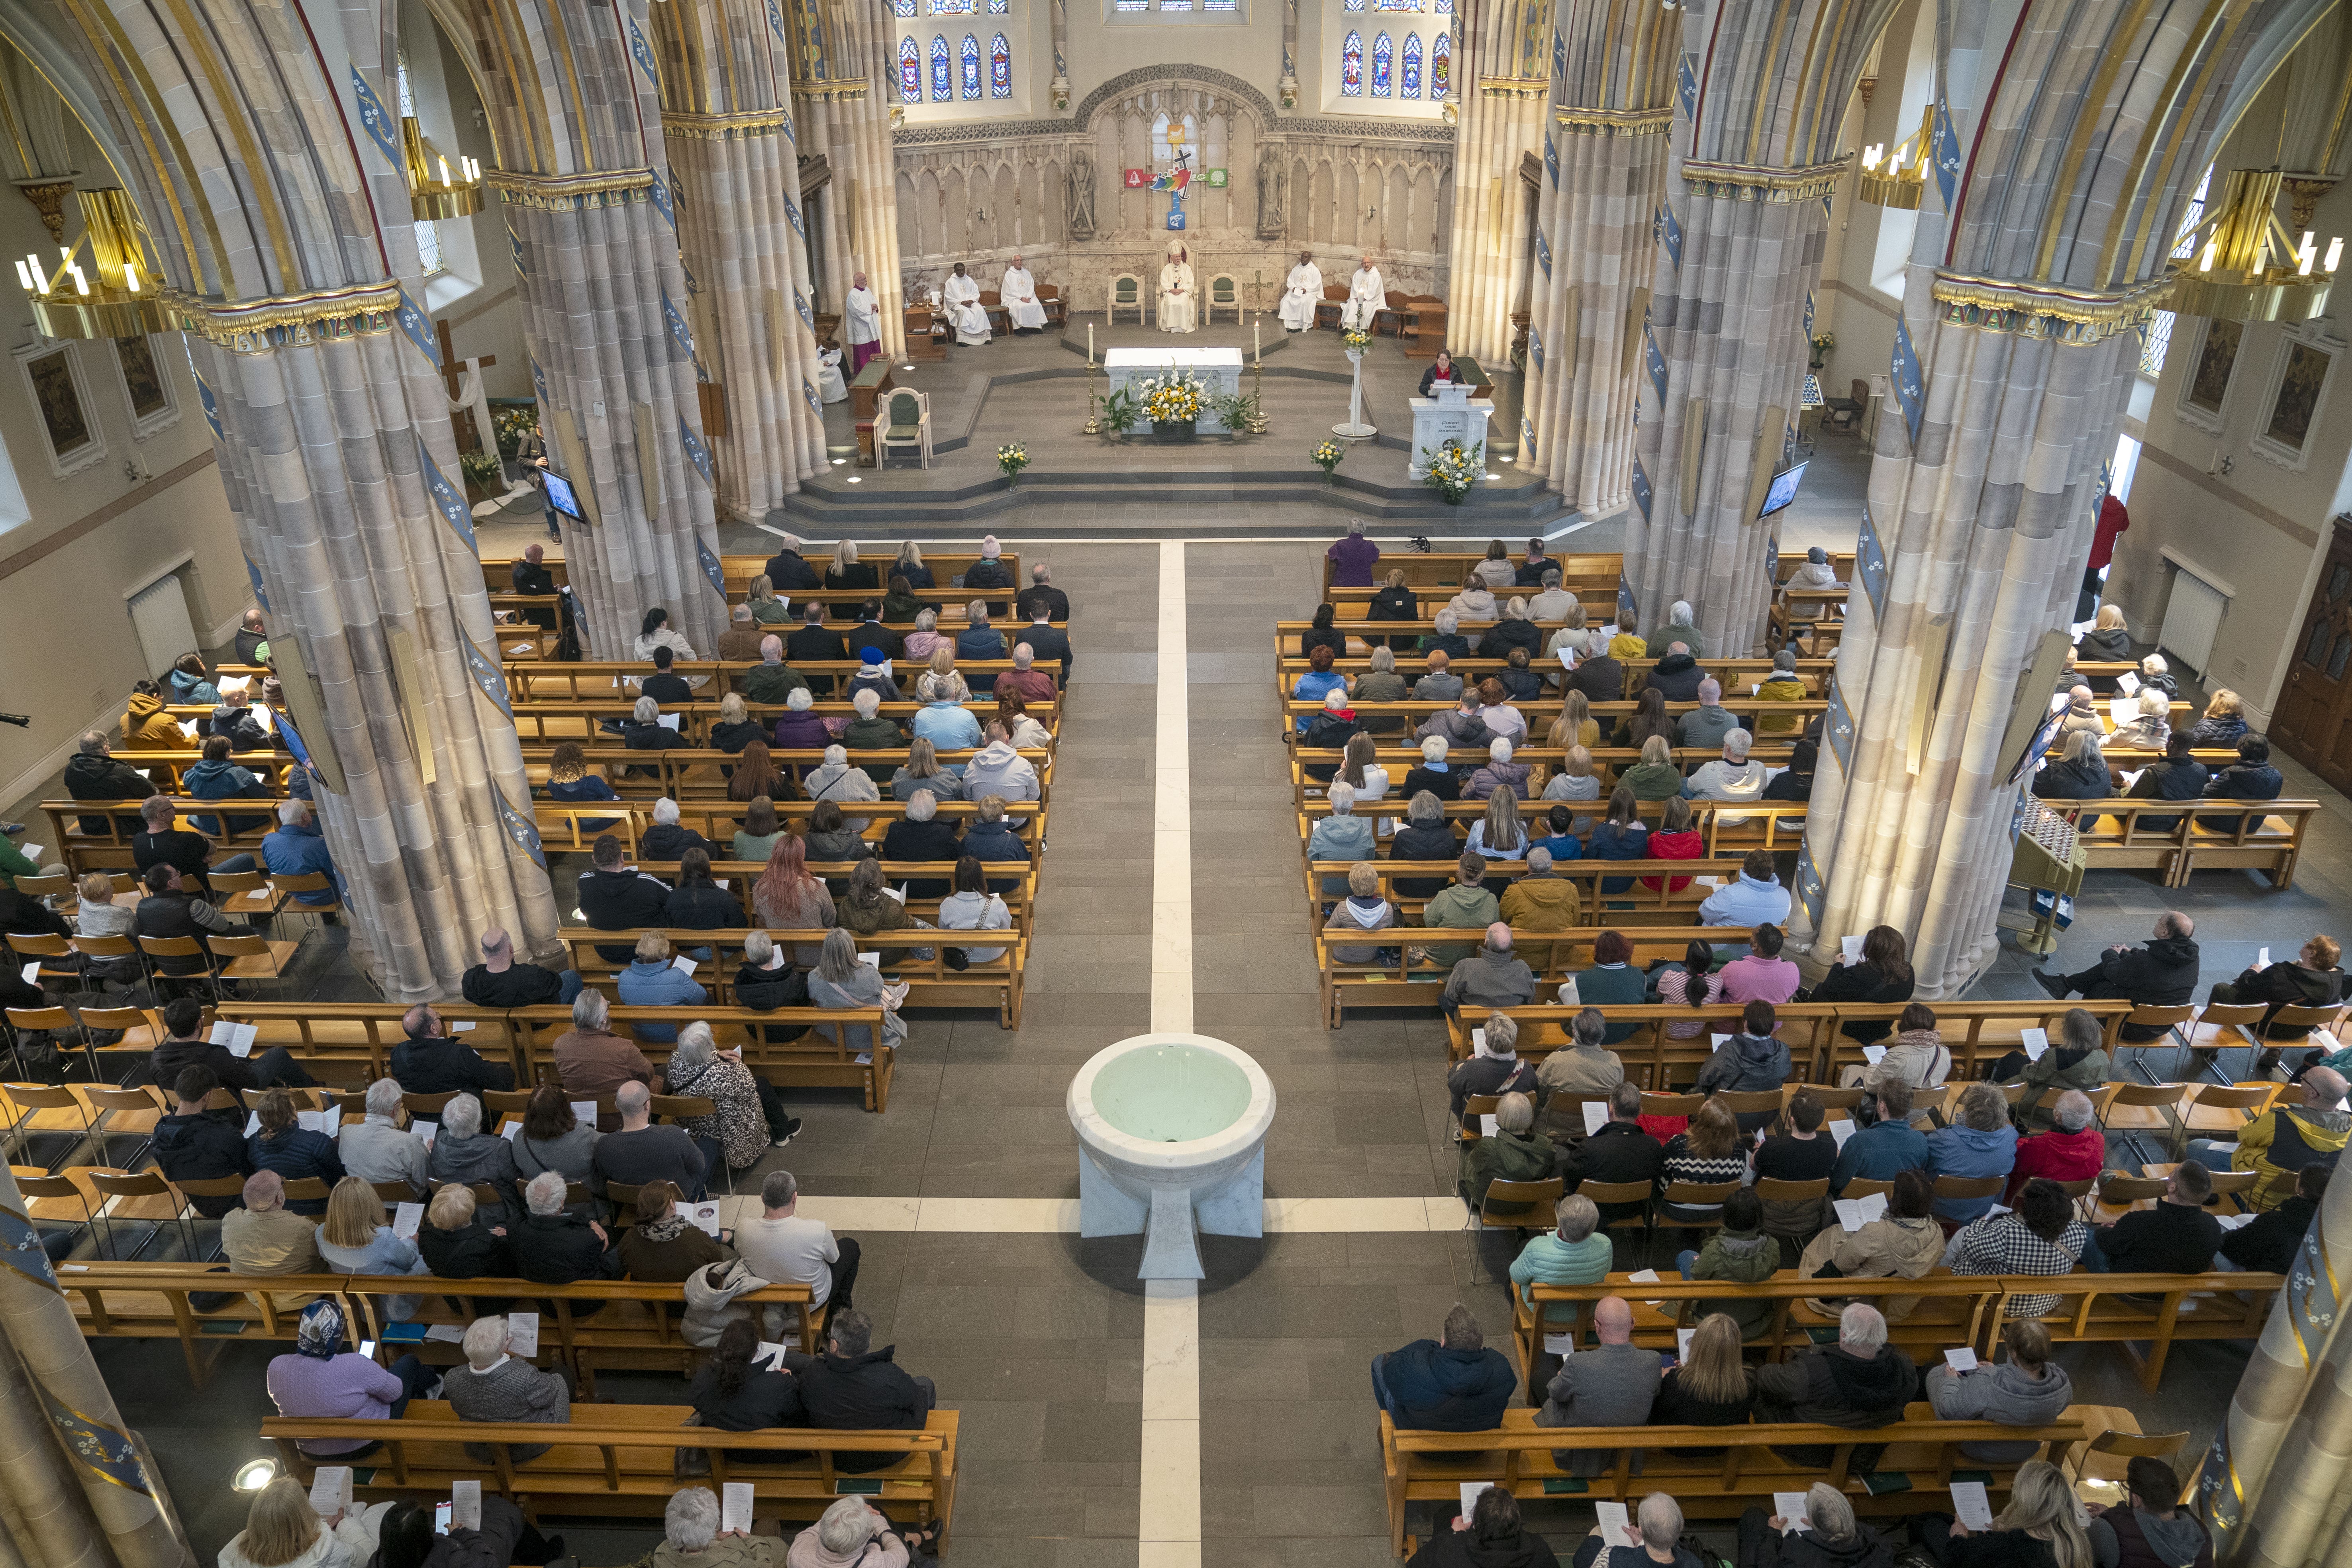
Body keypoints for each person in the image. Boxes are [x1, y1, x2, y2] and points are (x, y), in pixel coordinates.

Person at [265, 1298, 438, 1463]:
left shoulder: (276, 1366)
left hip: (311, 1451)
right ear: (337, 1334)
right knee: (409, 1363)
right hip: (363, 1445)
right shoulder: (354, 1364)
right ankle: (435, 1385)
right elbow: (394, 1393)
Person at [775, 1308, 937, 1472]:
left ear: (834, 1345)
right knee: (925, 1384)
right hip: (886, 1455)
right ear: (869, 1343)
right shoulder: (888, 1375)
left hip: (836, 1458)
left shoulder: (813, 1375)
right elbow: (913, 1398)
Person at [1751, 1302, 1914, 1456]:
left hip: (1809, 1451)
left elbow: (1766, 1378)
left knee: (1757, 1393)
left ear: (1843, 1335)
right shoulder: (1903, 1367)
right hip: (1864, 1453)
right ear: (1882, 1336)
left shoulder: (1813, 1371)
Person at [1535, 1296, 1660, 1474]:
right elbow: (1654, 1394)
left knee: (1545, 1387)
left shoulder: (1579, 1363)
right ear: (1632, 1323)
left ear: (1597, 1326)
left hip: (1581, 1453)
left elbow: (1555, 1393)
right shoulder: (1653, 1361)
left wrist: (1562, 1377)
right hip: (1627, 1454)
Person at [1799, 1167, 1942, 1321]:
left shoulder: (1875, 1232)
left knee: (1832, 1234)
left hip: (1863, 1300)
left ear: (1897, 1198)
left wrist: (1848, 1242)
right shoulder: (1936, 1232)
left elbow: (1842, 1263)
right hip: (1899, 1303)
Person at [2204, 1067, 2351, 1211]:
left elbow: (2244, 1135)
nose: (2301, 1079)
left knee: (2198, 1146)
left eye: (2304, 1078)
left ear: (2313, 1094)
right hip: (2303, 1200)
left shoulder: (2278, 1121)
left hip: (2257, 1194)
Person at [737, 1168, 861, 1336]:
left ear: (762, 1198)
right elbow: (834, 1258)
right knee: (850, 1246)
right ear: (795, 1197)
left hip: (770, 1298)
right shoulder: (816, 1230)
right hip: (811, 1300)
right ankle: (838, 1313)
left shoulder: (744, 1229)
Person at [1944, 1177, 2088, 1315]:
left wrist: (1983, 1221)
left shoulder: (2008, 1230)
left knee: (1964, 1233)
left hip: (1999, 1301)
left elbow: (1972, 1248)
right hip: (2044, 1302)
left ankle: (1939, 1274)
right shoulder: (2078, 1232)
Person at [443, 1313, 574, 1463]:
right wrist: (518, 1364)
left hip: (481, 1447)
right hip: (526, 1446)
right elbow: (549, 1395)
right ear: (504, 1347)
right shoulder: (523, 1376)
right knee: (560, 1376)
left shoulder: (452, 1378)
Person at [664, 1020, 798, 1166]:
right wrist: (738, 1063)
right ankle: (783, 1132)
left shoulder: (675, 1060)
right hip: (724, 1127)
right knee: (761, 1084)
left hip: (693, 1123)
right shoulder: (720, 1075)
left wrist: (716, 1054)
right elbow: (748, 1088)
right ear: (708, 1046)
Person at [2207, 934, 2346, 1073]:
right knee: (2285, 1008)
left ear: (2312, 953)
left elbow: (2247, 986)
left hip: (2265, 1026)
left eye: (2308, 944)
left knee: (2221, 989)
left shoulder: (2282, 973)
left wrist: (2252, 971)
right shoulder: (2335, 982)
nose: (2305, 943)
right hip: (2301, 1031)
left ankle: (2210, 1048)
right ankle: (2274, 1051)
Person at [1918, 1459, 2095, 1568]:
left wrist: (1959, 1536)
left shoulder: (2009, 1545)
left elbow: (1956, 1557)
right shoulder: (2078, 1542)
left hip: (1967, 1550)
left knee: (1929, 1523)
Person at [1370, 1302, 1516, 1431]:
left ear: (1443, 1342)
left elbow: (1390, 1369)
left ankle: (1388, 1427)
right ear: (1479, 1343)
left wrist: (1427, 1347)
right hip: (1477, 1449)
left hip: (1425, 1449)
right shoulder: (1500, 1367)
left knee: (1378, 1362)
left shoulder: (1417, 1366)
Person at [149, 994, 317, 1101]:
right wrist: (235, 1061)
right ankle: (313, 1091)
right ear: (199, 1023)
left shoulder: (157, 1059)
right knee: (278, 1054)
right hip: (233, 1110)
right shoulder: (214, 1055)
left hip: (194, 1108)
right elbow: (250, 1082)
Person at [316, 1176, 431, 1318]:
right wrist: (412, 1242)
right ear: (371, 1204)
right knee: (425, 1262)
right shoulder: (383, 1236)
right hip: (390, 1311)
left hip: (349, 1310)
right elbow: (408, 1260)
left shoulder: (321, 1232)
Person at [2086, 1160, 2223, 1275]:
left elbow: (2107, 1244)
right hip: (2173, 1293)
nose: (2169, 1175)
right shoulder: (2213, 1226)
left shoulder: (2141, 1221)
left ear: (2172, 1188)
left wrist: (2104, 1230)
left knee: (2083, 1234)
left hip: (2128, 1287)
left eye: (2172, 1173)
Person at [153, 1064, 253, 1214]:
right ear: (207, 1096)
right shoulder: (223, 1134)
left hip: (200, 1204)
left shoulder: (159, 1134)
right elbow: (249, 1168)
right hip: (240, 1202)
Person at [1508, 1193, 1610, 1339]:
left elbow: (1517, 1277)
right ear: (1593, 1226)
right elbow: (1605, 1270)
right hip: (1586, 1310)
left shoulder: (1536, 1248)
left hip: (1544, 1312)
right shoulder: (1605, 1245)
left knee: (1516, 1270)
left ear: (1560, 1223)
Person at [1561, 1081, 1666, 1222]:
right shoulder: (1654, 1146)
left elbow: (1571, 1175)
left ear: (1611, 1110)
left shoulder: (1590, 1147)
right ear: (1640, 1111)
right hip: (1636, 1209)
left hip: (1597, 1210)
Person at [1652, 1312, 1757, 1450]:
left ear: (1698, 1345)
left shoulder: (1676, 1382)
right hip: (1724, 1449)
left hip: (1680, 1449)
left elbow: (1658, 1412)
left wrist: (1663, 1378)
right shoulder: (1748, 1383)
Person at [595, 1080, 716, 1200]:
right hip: (679, 1197)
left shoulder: (604, 1145)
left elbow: (607, 1179)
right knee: (710, 1144)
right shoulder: (673, 1134)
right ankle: (701, 1199)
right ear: (647, 1105)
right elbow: (699, 1167)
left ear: (617, 1106)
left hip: (633, 1201)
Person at [1681, 1186, 1778, 1336]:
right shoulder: (1772, 1246)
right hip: (1755, 1324)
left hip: (1716, 1325)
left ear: (1725, 1217)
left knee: (1686, 1256)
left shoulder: (1715, 1250)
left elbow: (1697, 1274)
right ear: (1759, 1218)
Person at [2085, 1457, 2211, 1568]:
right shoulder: (2203, 1534)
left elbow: (2077, 1557)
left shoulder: (2107, 1531)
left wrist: (2111, 1520)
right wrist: (2114, 1514)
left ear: (2136, 1500)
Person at [512, 1168, 620, 1294]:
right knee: (625, 1247)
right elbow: (599, 1256)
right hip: (586, 1300)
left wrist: (591, 1222)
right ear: (562, 1204)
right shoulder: (584, 1238)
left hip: (544, 1301)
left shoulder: (515, 1225)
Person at [1752, 1090, 1837, 1248]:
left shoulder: (1772, 1148)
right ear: (1820, 1121)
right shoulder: (1831, 1147)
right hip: (1808, 1217)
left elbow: (1753, 1165)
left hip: (1768, 1215)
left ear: (1792, 1121)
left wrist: (1759, 1150)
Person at [1925, 1082, 2019, 1223]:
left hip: (1942, 1207)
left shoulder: (1942, 1140)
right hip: (1985, 1207)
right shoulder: (2010, 1137)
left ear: (1967, 1113)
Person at [2005, 1008, 2112, 1131]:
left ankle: (1997, 1107)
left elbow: (2030, 1077)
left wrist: (2032, 1066)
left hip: (2039, 1113)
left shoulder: (2055, 1057)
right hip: (2073, 1114)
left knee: (2012, 1060)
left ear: (2067, 1032)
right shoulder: (2102, 1058)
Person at [1810, 926, 1916, 1044]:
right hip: (1882, 1028)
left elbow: (1828, 989)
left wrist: (1838, 966)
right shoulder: (1908, 971)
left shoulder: (1858, 975)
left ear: (1870, 949)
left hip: (1854, 1028)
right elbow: (1907, 995)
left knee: (1819, 991)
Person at [1693, 1002, 1792, 1128]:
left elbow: (1705, 1079)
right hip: (1765, 1117)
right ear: (1773, 1027)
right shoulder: (1784, 1051)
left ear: (1745, 1024)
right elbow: (1783, 1078)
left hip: (1725, 1117)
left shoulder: (1729, 1050)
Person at [1412, 1485, 1560, 1568]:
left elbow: (1415, 1565)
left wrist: (1451, 1533)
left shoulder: (1450, 1549)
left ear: (1476, 1524)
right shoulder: (1539, 1550)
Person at [425, 1094, 523, 1219]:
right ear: (478, 1121)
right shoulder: (500, 1148)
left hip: (454, 1210)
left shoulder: (439, 1139)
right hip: (498, 1212)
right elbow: (516, 1179)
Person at [247, 1086, 344, 1211]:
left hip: (280, 1208)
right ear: (292, 1113)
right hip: (324, 1207)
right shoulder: (317, 1142)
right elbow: (340, 1173)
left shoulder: (253, 1145)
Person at [391, 1004, 516, 1099]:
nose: (439, 1017)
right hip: (463, 1117)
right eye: (437, 1017)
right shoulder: (460, 1055)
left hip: (424, 1116)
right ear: (434, 1028)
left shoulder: (397, 1055)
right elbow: (492, 1079)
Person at [578, 834, 672, 960]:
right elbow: (673, 898)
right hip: (648, 950)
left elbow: (583, 908)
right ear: (622, 857)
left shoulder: (585, 883)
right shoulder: (645, 882)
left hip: (607, 952)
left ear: (594, 859)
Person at [619, 1177, 733, 1282]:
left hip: (652, 1300)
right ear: (672, 1205)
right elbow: (717, 1263)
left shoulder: (628, 1239)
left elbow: (625, 1264)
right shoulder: (695, 1237)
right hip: (691, 1298)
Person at [2222, 1162, 2326, 1274]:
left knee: (2217, 1229)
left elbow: (2232, 1248)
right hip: (2300, 1285)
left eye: (2298, 1179)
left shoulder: (2276, 1221)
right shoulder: (2331, 1226)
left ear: (2302, 1190)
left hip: (2260, 1286)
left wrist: (2237, 1235)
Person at [1460, 1090, 1553, 1211]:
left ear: (1500, 1115)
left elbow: (1471, 1164)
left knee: (1470, 1162)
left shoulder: (1490, 1146)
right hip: (1529, 1204)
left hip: (1492, 1203)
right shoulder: (1546, 1148)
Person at [1830, 1078, 1929, 1192]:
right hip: (1897, 1201)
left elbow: (1838, 1183)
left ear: (1882, 1106)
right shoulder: (1921, 1140)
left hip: (1859, 1198)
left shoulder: (1858, 1141)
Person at [2006, 1089, 2103, 1202]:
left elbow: (2015, 1176)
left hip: (2032, 1201)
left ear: (2058, 1116)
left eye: (2057, 1104)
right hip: (2068, 1199)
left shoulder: (2037, 1147)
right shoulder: (2099, 1140)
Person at [1659, 1098, 1747, 1222]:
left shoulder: (1678, 1144)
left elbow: (1661, 1167)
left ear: (1701, 1124)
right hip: (1718, 1210)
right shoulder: (1739, 1149)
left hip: (1677, 1209)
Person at [222, 1170, 323, 1277]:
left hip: (251, 1291)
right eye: (282, 1184)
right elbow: (322, 1253)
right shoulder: (303, 1227)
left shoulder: (230, 1220)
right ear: (279, 1198)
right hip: (299, 1292)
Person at [417, 1182, 515, 1287]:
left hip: (448, 1287)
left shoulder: (424, 1237)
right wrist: (506, 1238)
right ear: (470, 1211)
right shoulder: (487, 1242)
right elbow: (505, 1265)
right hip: (486, 1292)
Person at [617, 931, 709, 1044]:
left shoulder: (624, 976)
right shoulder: (676, 976)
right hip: (677, 1034)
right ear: (664, 955)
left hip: (642, 1034)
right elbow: (700, 998)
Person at [339, 1078, 429, 1192]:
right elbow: (424, 1181)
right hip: (403, 1200)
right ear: (396, 1108)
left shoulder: (346, 1133)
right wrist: (427, 1153)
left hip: (362, 1197)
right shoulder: (411, 1142)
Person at [63, 730, 156, 836]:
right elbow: (150, 791)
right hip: (125, 825)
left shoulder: (71, 770)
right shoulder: (119, 771)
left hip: (90, 825)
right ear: (106, 749)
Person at [461, 926, 581, 1008]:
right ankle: (579, 1021)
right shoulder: (531, 975)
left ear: (483, 951)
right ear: (511, 949)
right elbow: (557, 983)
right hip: (540, 1023)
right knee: (572, 976)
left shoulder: (471, 979)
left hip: (503, 1025)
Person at [1570, 1494, 1702, 1568]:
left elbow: (1581, 1560)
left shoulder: (1615, 1558)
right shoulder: (1694, 1563)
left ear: (1641, 1529)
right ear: (1680, 1527)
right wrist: (1641, 1543)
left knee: (1598, 1531)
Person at [183, 734, 272, 837]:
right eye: (230, 751)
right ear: (226, 754)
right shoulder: (237, 773)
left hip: (207, 821)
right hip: (235, 823)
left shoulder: (193, 773)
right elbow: (261, 795)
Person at [1419, 855, 1501, 967]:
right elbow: (1495, 927)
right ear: (1483, 873)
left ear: (1459, 871)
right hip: (1477, 955)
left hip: (1442, 955)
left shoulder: (1444, 896)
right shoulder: (1492, 900)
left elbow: (1429, 923)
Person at [1574, 929, 1650, 1043]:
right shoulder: (1639, 975)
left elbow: (1568, 1000)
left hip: (1591, 1033)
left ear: (1597, 951)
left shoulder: (1582, 978)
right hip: (1624, 1031)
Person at [1537, 1006, 1625, 1103]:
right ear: (1602, 1033)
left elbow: (1539, 1095)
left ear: (1574, 1031)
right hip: (1598, 1118)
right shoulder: (1614, 1062)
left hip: (1558, 1117)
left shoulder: (1554, 1061)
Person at [2201, 733, 2285, 831]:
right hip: (2252, 825)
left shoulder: (2231, 774)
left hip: (2221, 823)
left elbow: (2205, 795)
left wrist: (2209, 783)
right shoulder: (2277, 776)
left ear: (2242, 751)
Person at [1699, 848, 1791, 927]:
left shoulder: (1730, 894)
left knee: (1698, 921)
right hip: (1761, 947)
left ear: (1745, 870)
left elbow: (1705, 912)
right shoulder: (1785, 895)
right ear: (1771, 870)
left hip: (1725, 945)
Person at [1719, 923, 1801, 1007]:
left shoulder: (1733, 969)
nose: (1750, 936)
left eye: (1752, 935)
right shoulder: (1792, 970)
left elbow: (1713, 991)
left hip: (1733, 1018)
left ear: (1755, 946)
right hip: (1773, 1019)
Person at [2034, 728, 2115, 800]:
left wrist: (2037, 773)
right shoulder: (2103, 767)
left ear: (2070, 746)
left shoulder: (2056, 770)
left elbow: (2034, 790)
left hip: (2060, 815)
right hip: (2091, 816)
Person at [635, 607, 702, 678]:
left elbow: (638, 661)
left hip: (650, 679)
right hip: (676, 679)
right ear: (664, 623)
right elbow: (691, 659)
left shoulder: (640, 640)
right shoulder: (676, 638)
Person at [1620, 736, 1684, 806]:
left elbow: (1619, 797)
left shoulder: (1630, 775)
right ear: (1666, 751)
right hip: (1665, 816)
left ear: (1645, 751)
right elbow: (1676, 796)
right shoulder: (1674, 774)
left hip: (1635, 815)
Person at [1676, 678, 1738, 751]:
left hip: (1692, 761)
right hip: (1722, 761)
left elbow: (1677, 743)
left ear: (1700, 695)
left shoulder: (1687, 718)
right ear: (1720, 693)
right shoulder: (1733, 719)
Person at [843, 270, 883, 373]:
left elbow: (875, 301)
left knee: (875, 352)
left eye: (866, 279)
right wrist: (870, 308)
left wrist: (875, 306)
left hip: (872, 325)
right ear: (856, 281)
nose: (866, 281)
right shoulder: (853, 295)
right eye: (863, 280)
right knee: (864, 354)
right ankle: (865, 375)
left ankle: (878, 373)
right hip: (862, 328)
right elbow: (856, 310)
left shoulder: (867, 290)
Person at [942, 260, 990, 344]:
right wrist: (961, 302)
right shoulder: (950, 282)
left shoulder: (969, 280)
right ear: (955, 271)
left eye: (963, 270)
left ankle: (985, 338)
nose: (962, 272)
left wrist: (971, 300)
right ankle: (962, 340)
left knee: (980, 310)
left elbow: (976, 293)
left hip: (971, 303)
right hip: (958, 304)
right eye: (959, 270)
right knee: (963, 312)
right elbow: (948, 297)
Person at [1279, 248, 1325, 332]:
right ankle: (1289, 325)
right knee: (1286, 300)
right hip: (1296, 291)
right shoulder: (1297, 269)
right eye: (1302, 257)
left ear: (1310, 259)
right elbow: (1291, 280)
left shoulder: (1314, 270)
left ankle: (1299, 325)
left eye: (1306, 257)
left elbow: (1317, 284)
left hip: (1308, 293)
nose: (1303, 259)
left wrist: (1306, 290)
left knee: (1302, 302)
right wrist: (1293, 288)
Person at [1156, 239, 1196, 332]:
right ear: (1172, 258)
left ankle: (1183, 327)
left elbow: (1191, 283)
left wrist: (1182, 290)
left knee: (1182, 303)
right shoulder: (1167, 269)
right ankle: (1172, 327)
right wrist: (1171, 290)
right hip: (1171, 293)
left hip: (1183, 292)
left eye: (1179, 257)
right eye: (1176, 257)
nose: (1178, 259)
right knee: (1170, 302)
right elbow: (1164, 282)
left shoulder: (1187, 268)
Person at [1329, 520, 1383, 589]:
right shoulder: (1370, 545)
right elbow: (1375, 557)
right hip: (1364, 586)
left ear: (1349, 530)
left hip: (1342, 585)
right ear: (1363, 529)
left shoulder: (1340, 545)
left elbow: (1331, 556)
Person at [1339, 252, 1385, 330]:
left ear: (1372, 263)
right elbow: (1355, 286)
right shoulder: (1358, 273)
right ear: (1362, 265)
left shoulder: (1376, 275)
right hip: (1358, 298)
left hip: (1370, 300)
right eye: (1364, 263)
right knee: (1352, 305)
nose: (1366, 265)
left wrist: (1364, 298)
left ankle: (1358, 328)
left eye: (1368, 263)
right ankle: (1348, 327)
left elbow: (1375, 290)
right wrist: (1358, 297)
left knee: (1364, 307)